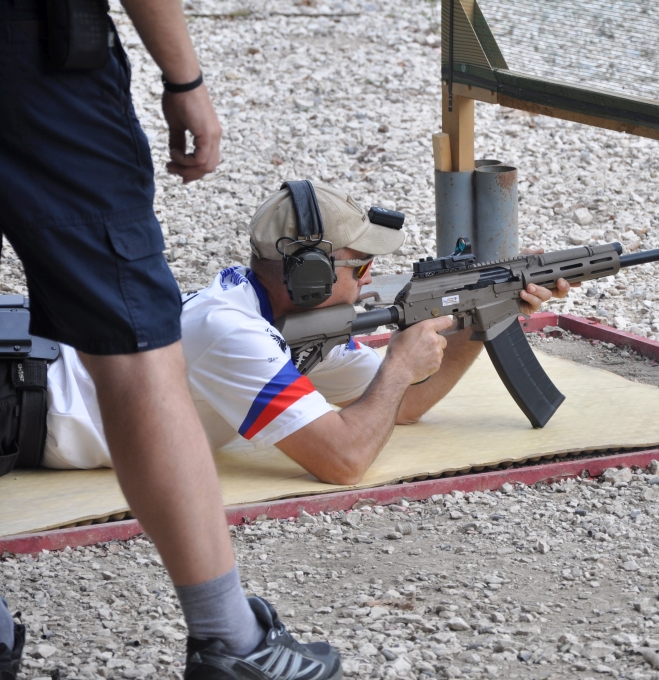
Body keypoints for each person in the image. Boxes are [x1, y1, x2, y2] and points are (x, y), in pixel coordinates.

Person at [0, 1, 342, 678]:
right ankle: (231, 642)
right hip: (36, 49)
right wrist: (184, 79)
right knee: (137, 351)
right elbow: (342, 456)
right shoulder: (225, 325)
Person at [40, 182, 573, 484]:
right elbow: (343, 460)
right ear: (310, 276)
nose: (369, 280)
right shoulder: (231, 332)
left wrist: (486, 313)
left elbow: (403, 405)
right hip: (27, 411)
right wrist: (397, 365)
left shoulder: (293, 323)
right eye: (360, 267)